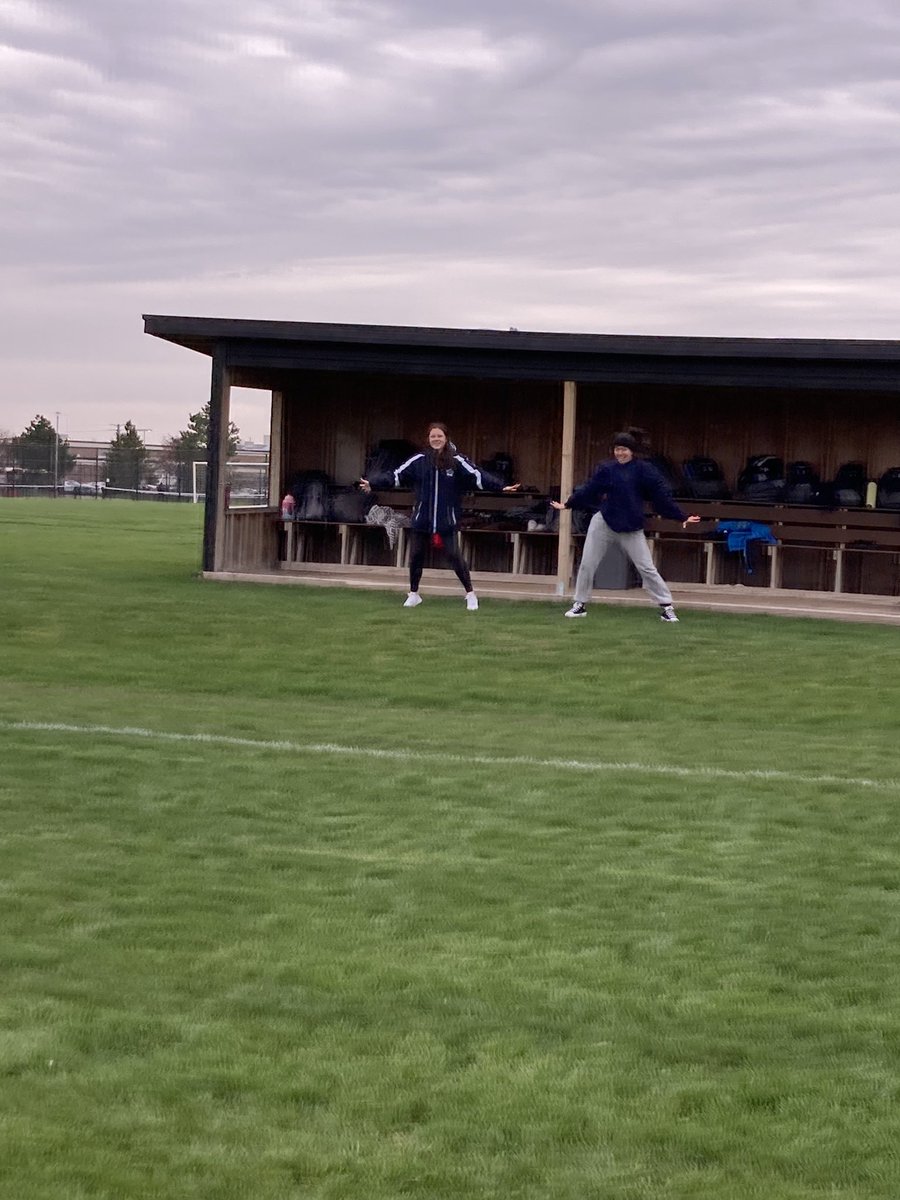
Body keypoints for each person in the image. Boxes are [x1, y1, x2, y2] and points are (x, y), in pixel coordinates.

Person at [360, 422, 520, 610]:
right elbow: (396, 475)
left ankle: (470, 594)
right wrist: (374, 483)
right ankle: (414, 594)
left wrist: (501, 486)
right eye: (433, 436)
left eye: (440, 436)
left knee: (455, 557)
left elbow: (478, 476)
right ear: (428, 439)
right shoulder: (419, 460)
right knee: (416, 556)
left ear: (446, 438)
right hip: (422, 518)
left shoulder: (457, 460)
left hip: (446, 519)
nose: (436, 439)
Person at [552, 429, 700, 622]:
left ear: (632, 451)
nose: (620, 453)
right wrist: (569, 504)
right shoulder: (607, 469)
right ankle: (580, 604)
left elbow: (661, 497)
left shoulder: (644, 470)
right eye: (617, 449)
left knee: (646, 568)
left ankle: (667, 607)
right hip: (604, 522)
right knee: (587, 564)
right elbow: (590, 489)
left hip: (631, 527)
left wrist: (681, 517)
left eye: (624, 449)